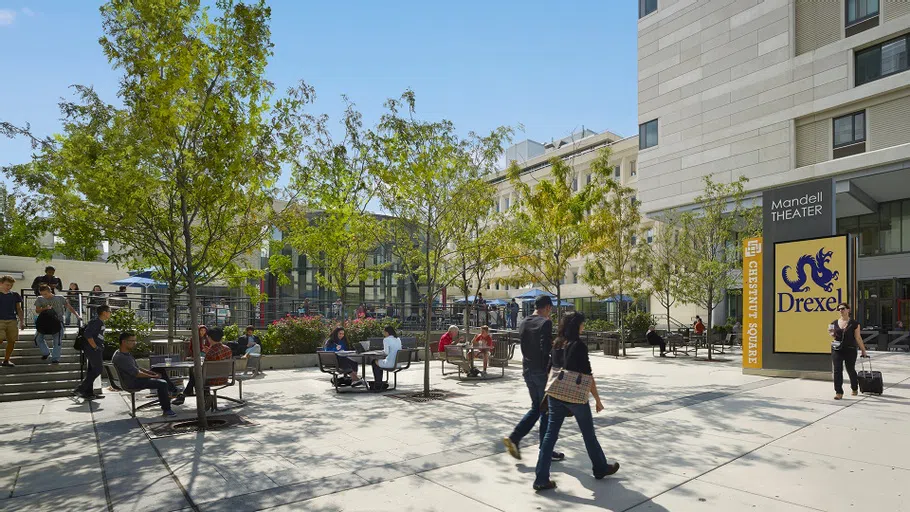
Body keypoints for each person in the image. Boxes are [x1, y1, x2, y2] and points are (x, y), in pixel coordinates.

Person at [533, 312, 619, 491]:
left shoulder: (556, 343)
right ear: (576, 326)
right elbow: (588, 376)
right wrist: (597, 399)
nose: (584, 327)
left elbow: (551, 369)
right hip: (575, 397)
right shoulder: (578, 345)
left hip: (556, 395)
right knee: (588, 434)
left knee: (550, 436)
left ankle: (541, 478)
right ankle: (600, 467)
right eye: (582, 324)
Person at [503, 295, 564, 462]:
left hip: (527, 370)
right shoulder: (545, 323)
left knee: (537, 408)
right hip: (542, 372)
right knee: (546, 410)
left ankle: (514, 438)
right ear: (547, 308)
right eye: (550, 309)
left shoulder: (523, 322)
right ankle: (546, 449)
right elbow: (545, 349)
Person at [112, 331, 184, 416]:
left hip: (135, 378)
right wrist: (154, 377)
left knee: (158, 369)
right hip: (132, 382)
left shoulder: (124, 353)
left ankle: (173, 390)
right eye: (132, 341)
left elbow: (137, 368)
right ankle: (167, 410)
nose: (134, 343)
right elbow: (137, 373)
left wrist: (152, 373)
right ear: (124, 342)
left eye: (135, 341)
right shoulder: (121, 357)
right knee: (162, 383)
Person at [829, 303, 869, 400]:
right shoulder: (833, 323)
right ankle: (838, 392)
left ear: (848, 310)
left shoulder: (854, 324)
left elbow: (858, 337)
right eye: (839, 309)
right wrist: (831, 333)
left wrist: (863, 350)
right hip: (837, 349)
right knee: (837, 370)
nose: (841, 311)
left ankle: (854, 387)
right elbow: (832, 335)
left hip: (850, 349)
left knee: (850, 369)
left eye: (843, 309)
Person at [35, 284, 81, 364]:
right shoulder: (40, 299)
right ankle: (46, 352)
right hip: (44, 322)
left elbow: (69, 306)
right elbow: (37, 310)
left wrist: (77, 315)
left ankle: (55, 358)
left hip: (58, 321)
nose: (44, 296)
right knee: (38, 338)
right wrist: (45, 308)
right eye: (42, 294)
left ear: (50, 292)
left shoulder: (59, 298)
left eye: (45, 294)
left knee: (57, 341)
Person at [74, 305, 112, 399]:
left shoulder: (99, 322)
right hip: (92, 349)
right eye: (109, 311)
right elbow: (87, 334)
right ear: (104, 312)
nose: (110, 313)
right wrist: (95, 347)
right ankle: (80, 389)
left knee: (91, 370)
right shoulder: (96, 322)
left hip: (94, 349)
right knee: (98, 369)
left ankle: (88, 393)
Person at [185, 327, 233, 397]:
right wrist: (209, 351)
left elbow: (205, 369)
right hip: (224, 378)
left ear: (209, 338)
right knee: (196, 374)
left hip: (211, 380)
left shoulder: (211, 352)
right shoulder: (228, 349)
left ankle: (186, 394)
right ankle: (189, 394)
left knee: (195, 374)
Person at [0, 275, 25, 367]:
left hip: (12, 320)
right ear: (1, 283)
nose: (9, 287)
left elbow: (19, 309)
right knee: (0, 338)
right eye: (7, 285)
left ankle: (6, 360)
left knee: (12, 340)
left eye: (11, 285)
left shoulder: (14, 295)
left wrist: (22, 321)